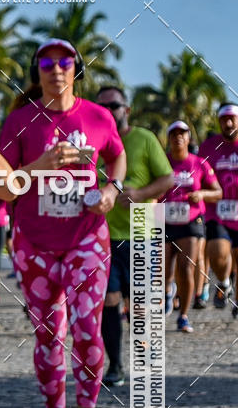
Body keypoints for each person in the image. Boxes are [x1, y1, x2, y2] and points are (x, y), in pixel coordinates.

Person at [0, 39, 126, 408]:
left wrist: (111, 190)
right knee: (48, 336)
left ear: (76, 68)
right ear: (37, 71)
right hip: (34, 244)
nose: (56, 68)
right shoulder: (21, 121)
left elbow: (117, 156)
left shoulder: (97, 116)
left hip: (87, 239)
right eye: (47, 61)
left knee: (88, 330)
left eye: (64, 61)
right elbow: (3, 186)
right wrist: (43, 165)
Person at [95, 86, 173, 386]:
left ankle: (145, 361)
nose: (108, 111)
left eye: (113, 105)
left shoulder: (143, 138)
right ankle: (115, 365)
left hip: (142, 232)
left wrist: (140, 193)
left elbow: (167, 178)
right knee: (110, 301)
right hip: (104, 235)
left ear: (126, 110)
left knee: (140, 304)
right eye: (102, 107)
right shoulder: (95, 144)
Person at [161, 121, 221, 333]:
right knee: (164, 270)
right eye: (174, 133)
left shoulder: (199, 163)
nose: (178, 137)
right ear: (169, 138)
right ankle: (168, 291)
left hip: (191, 221)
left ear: (188, 138)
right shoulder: (162, 162)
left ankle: (183, 316)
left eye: (182, 133)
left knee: (186, 268)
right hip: (165, 219)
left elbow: (217, 192)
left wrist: (201, 194)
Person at [199, 104, 238, 315]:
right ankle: (224, 282)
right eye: (224, 119)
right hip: (218, 212)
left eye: (232, 118)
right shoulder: (208, 147)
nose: (229, 123)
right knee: (217, 253)